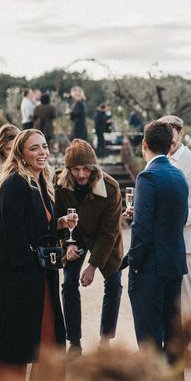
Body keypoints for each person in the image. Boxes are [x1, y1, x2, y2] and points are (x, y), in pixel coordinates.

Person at [0, 129, 76, 381]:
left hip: (39, 278)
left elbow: (36, 229)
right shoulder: (14, 184)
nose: (42, 152)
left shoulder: (41, 184)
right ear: (21, 155)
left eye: (45, 146)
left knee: (48, 343)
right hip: (17, 281)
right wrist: (38, 265)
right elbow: (14, 237)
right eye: (34, 148)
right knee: (13, 348)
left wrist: (59, 225)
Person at [126, 120, 188, 365]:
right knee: (172, 325)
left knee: (148, 330)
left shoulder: (147, 176)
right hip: (174, 261)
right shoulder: (178, 174)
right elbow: (180, 217)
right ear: (170, 145)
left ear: (144, 144)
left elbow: (142, 228)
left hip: (151, 264)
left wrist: (134, 263)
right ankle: (173, 377)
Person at [54, 139, 124, 355]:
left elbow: (109, 231)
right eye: (76, 169)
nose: (82, 174)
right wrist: (68, 244)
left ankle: (105, 339)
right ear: (69, 169)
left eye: (86, 169)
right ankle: (74, 342)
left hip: (104, 237)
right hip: (76, 237)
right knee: (68, 283)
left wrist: (93, 266)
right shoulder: (59, 183)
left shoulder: (111, 188)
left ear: (94, 168)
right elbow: (58, 218)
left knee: (114, 283)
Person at [159, 115, 191, 318]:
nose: (169, 136)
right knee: (163, 296)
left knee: (184, 296)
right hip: (161, 241)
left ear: (181, 133)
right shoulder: (158, 161)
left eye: (173, 131)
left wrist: (182, 218)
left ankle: (186, 343)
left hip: (186, 240)